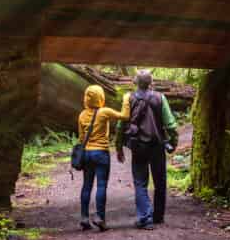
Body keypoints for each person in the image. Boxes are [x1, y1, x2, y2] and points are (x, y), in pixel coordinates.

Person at [116, 70, 178, 230]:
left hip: (138, 146)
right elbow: (170, 124)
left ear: (135, 82)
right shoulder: (160, 97)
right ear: (151, 83)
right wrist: (174, 141)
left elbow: (121, 124)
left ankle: (145, 217)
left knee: (140, 182)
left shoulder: (129, 98)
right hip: (157, 145)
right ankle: (158, 216)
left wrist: (119, 147)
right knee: (160, 182)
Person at [76, 84, 129, 231]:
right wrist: (126, 99)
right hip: (101, 154)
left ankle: (84, 218)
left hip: (86, 153)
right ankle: (100, 217)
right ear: (100, 97)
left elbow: (81, 138)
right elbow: (125, 116)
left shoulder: (81, 115)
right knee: (101, 186)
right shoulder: (104, 112)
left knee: (86, 186)